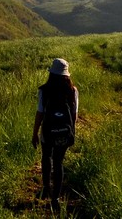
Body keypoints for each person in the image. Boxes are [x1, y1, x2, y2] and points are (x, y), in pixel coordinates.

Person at [32, 58, 79, 211]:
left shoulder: (44, 90)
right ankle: (56, 198)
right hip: (65, 132)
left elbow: (40, 113)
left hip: (47, 131)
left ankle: (46, 187)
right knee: (58, 162)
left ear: (51, 73)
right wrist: (71, 131)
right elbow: (74, 115)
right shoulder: (73, 91)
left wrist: (35, 133)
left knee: (46, 156)